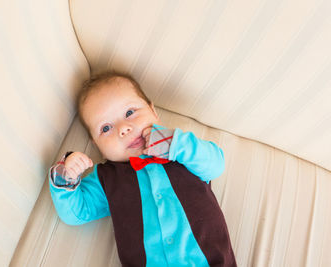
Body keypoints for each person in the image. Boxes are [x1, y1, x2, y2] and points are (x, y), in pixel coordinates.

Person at [49, 71, 237, 266]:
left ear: (153, 111)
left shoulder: (182, 151)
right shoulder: (107, 178)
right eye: (106, 128)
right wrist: (66, 175)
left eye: (130, 113)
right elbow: (77, 212)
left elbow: (215, 165)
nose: (124, 128)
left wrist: (175, 143)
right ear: (97, 146)